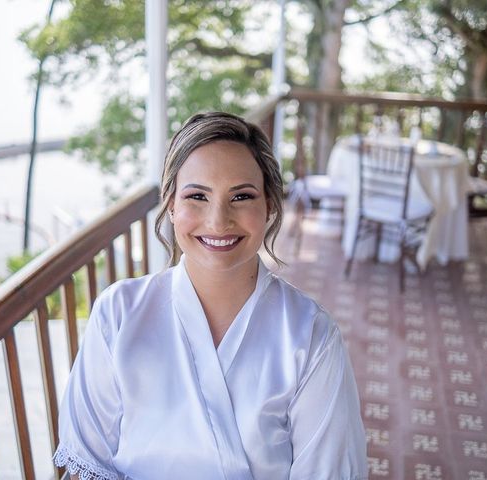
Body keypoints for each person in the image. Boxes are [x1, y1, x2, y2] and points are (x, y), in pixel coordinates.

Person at [53, 112, 368, 479]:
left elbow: (328, 471)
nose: (218, 221)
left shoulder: (310, 334)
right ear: (171, 204)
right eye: (197, 196)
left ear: (269, 205)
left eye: (241, 196)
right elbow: (88, 464)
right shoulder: (118, 314)